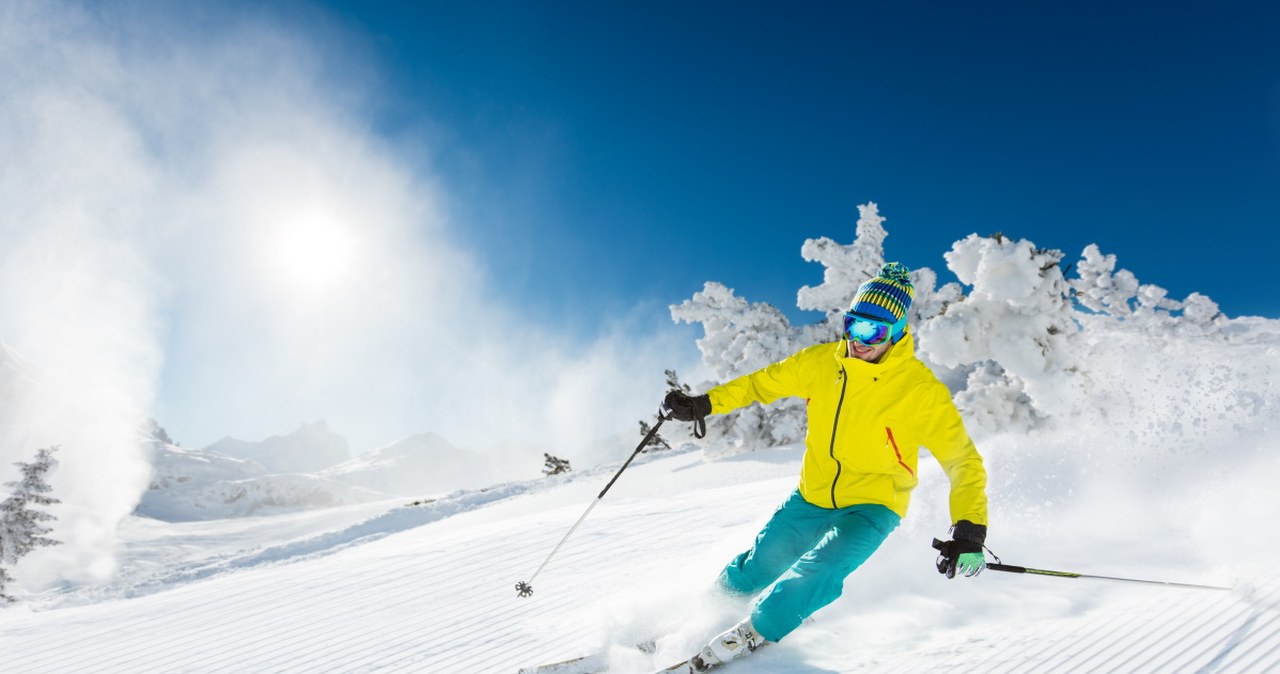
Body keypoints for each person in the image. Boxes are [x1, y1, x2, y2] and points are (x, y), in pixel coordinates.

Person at [661, 262, 989, 672]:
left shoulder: (919, 391)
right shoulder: (821, 364)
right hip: (813, 494)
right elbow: (761, 383)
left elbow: (964, 460)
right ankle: (703, 614)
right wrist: (705, 403)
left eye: (874, 332)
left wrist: (970, 527)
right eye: (853, 325)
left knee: (821, 569)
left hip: (874, 503)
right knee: (761, 562)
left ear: (898, 334)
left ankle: (755, 631)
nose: (858, 341)